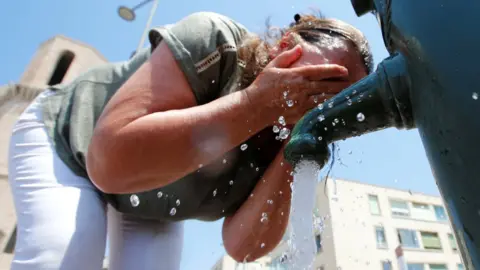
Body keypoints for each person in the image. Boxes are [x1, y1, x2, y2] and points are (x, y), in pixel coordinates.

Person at [7, 11, 373, 270]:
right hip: (68, 139)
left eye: (337, 104)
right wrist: (257, 105)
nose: (319, 101)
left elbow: (245, 247)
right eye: (322, 80)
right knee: (64, 258)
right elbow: (110, 163)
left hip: (151, 198)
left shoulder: (289, 140)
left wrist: (298, 145)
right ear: (285, 46)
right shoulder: (216, 43)